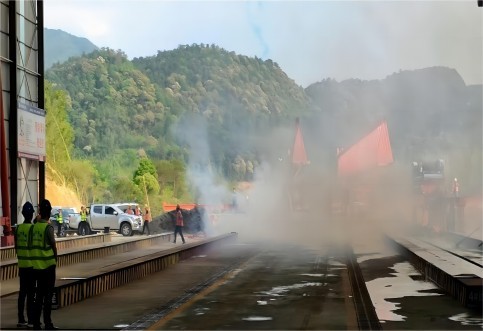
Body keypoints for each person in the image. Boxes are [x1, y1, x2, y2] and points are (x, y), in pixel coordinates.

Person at [31, 199, 58, 330]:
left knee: (38, 296)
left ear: (40, 212)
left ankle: (36, 323)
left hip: (36, 267)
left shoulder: (34, 227)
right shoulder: (48, 228)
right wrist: (55, 259)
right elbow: (53, 246)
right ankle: (48, 323)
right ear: (50, 212)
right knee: (48, 296)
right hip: (48, 267)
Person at [15, 202, 36, 328]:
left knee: (22, 293)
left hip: (21, 265)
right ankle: (31, 320)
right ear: (32, 214)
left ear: (23, 214)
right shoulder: (33, 229)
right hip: (32, 266)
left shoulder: (18, 229)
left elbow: (16, 248)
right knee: (31, 293)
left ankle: (20, 319)